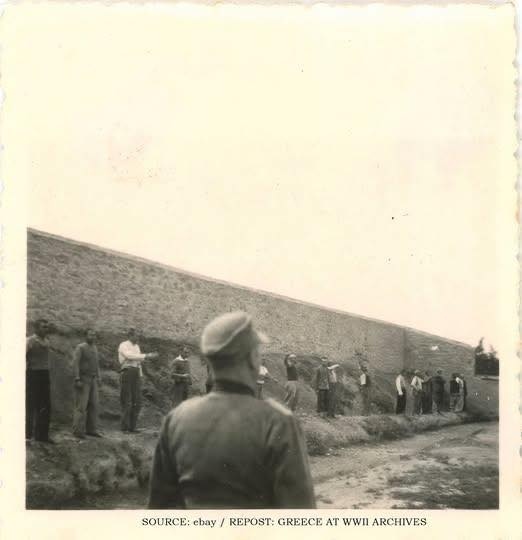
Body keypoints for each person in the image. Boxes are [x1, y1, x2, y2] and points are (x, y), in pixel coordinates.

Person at [148, 311, 316, 509]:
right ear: (251, 359)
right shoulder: (278, 422)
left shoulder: (176, 418)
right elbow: (300, 512)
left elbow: (159, 509)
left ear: (211, 361)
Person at [118, 328, 159, 433]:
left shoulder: (137, 347)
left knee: (137, 401)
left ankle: (132, 427)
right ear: (130, 335)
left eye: (138, 335)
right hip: (127, 372)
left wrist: (140, 375)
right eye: (136, 335)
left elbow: (138, 362)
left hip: (136, 373)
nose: (138, 337)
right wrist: (147, 355)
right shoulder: (123, 345)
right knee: (127, 401)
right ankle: (125, 427)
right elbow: (129, 356)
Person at [26, 319, 54, 443]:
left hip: (44, 374)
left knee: (45, 405)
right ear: (36, 328)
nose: (46, 329)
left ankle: (42, 436)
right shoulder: (30, 341)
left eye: (47, 327)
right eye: (43, 327)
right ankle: (27, 435)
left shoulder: (47, 341)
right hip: (33, 374)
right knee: (30, 404)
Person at [72, 329, 102, 439]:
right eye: (90, 335)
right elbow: (75, 364)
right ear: (86, 336)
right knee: (81, 406)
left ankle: (91, 430)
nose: (92, 337)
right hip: (83, 379)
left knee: (94, 405)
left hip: (93, 379)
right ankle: (78, 431)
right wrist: (77, 378)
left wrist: (99, 377)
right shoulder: (80, 347)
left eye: (94, 335)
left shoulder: (95, 348)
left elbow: (96, 364)